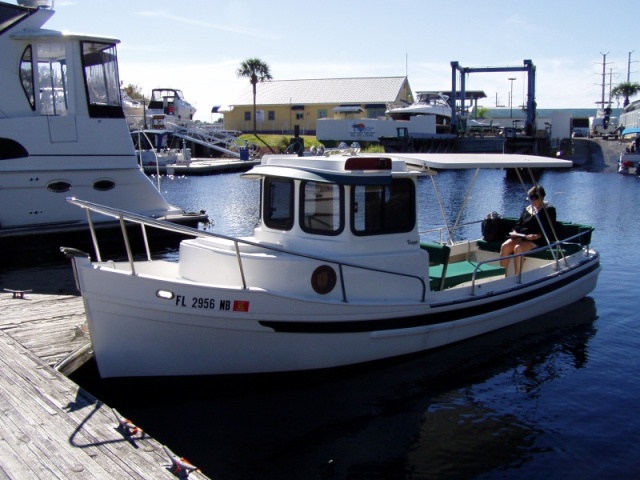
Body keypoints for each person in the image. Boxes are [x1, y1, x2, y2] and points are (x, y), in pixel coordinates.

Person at [500, 186, 557, 276]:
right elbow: (519, 224)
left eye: (535, 199)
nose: (532, 202)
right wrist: (515, 231)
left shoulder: (549, 210)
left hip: (539, 239)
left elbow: (550, 229)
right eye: (531, 199)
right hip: (523, 237)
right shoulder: (527, 209)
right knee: (505, 246)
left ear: (541, 198)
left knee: (518, 248)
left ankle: (517, 276)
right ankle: (502, 276)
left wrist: (537, 236)